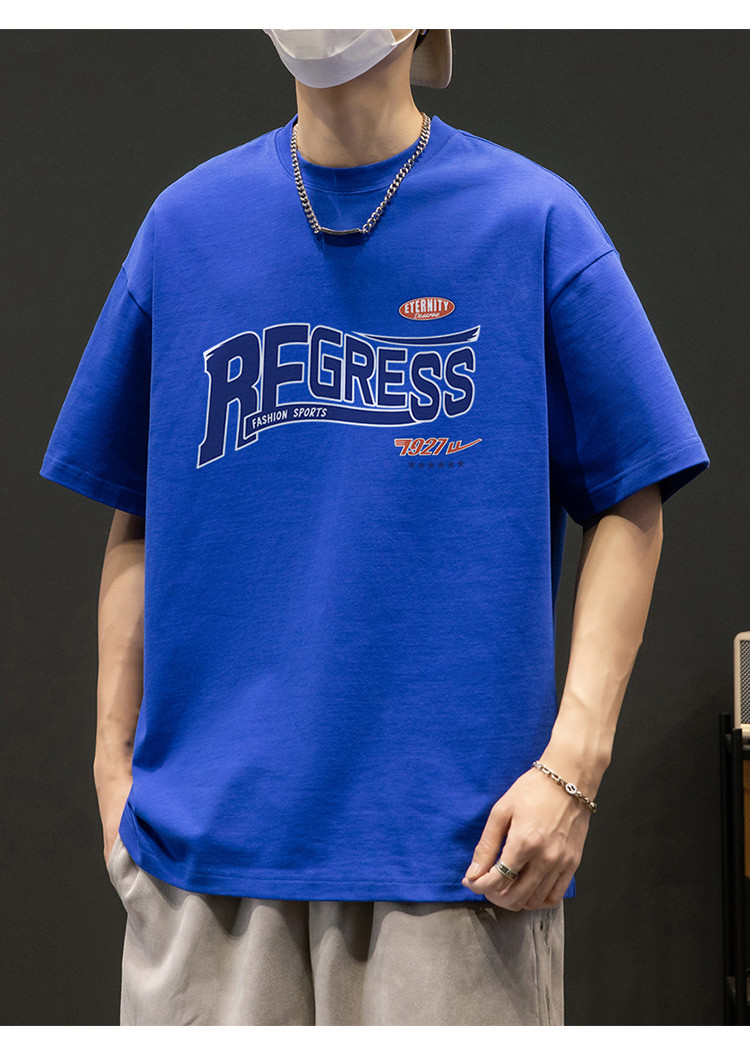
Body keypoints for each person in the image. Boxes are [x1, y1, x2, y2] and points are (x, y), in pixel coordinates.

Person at [39, 29, 709, 1026]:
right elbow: (139, 514)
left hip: (460, 863)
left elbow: (632, 493)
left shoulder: (532, 222)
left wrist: (573, 769)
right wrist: (111, 767)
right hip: (202, 865)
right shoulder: (185, 230)